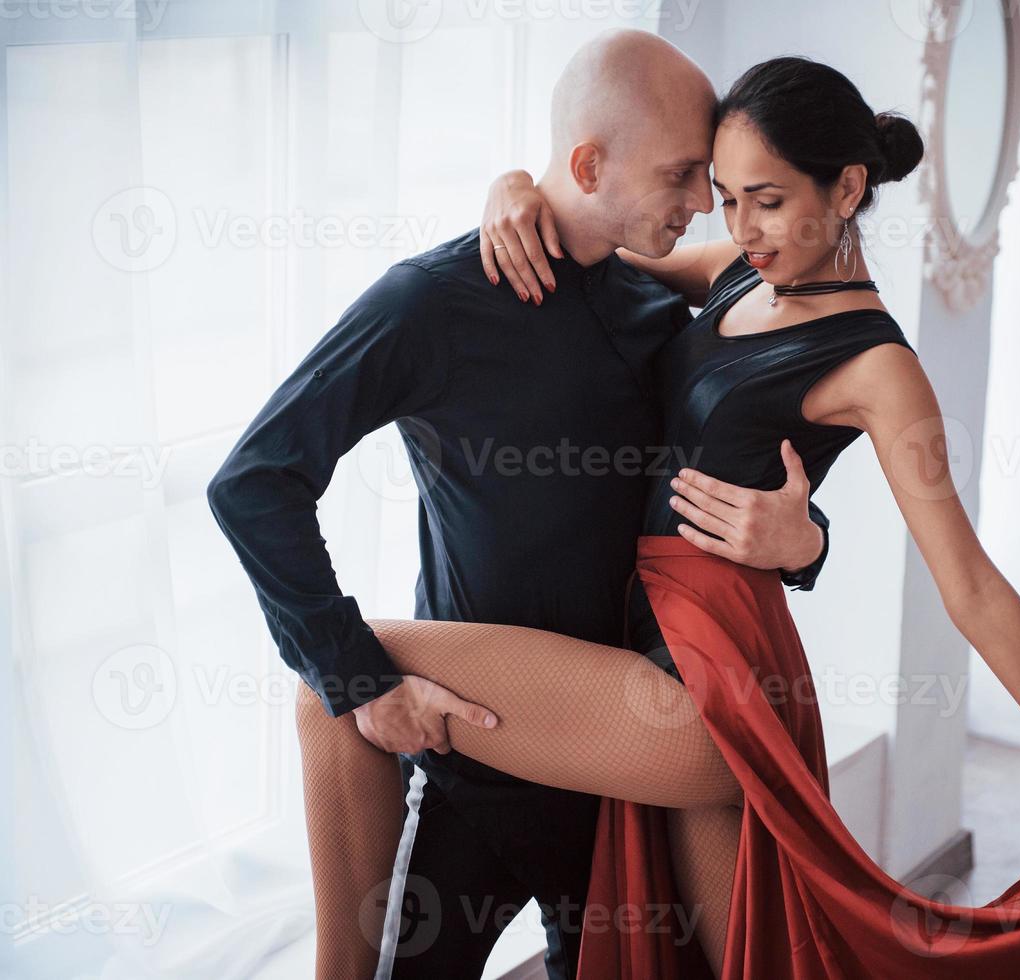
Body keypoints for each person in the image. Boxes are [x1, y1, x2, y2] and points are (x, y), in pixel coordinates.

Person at [297, 43, 1020, 980]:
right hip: (643, 647)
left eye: (769, 200)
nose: (743, 224)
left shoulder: (881, 367)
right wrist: (512, 184)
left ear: (846, 190)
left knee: (330, 679)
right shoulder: (741, 272)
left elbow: (968, 584)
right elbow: (599, 237)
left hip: (708, 668)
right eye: (724, 196)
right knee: (746, 960)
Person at [206, 30, 835, 980]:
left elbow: (744, 481)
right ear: (589, 163)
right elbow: (254, 479)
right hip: (475, 760)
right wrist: (359, 678)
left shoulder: (661, 311)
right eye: (682, 174)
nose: (702, 201)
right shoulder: (430, 302)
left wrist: (807, 541)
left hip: (623, 774)